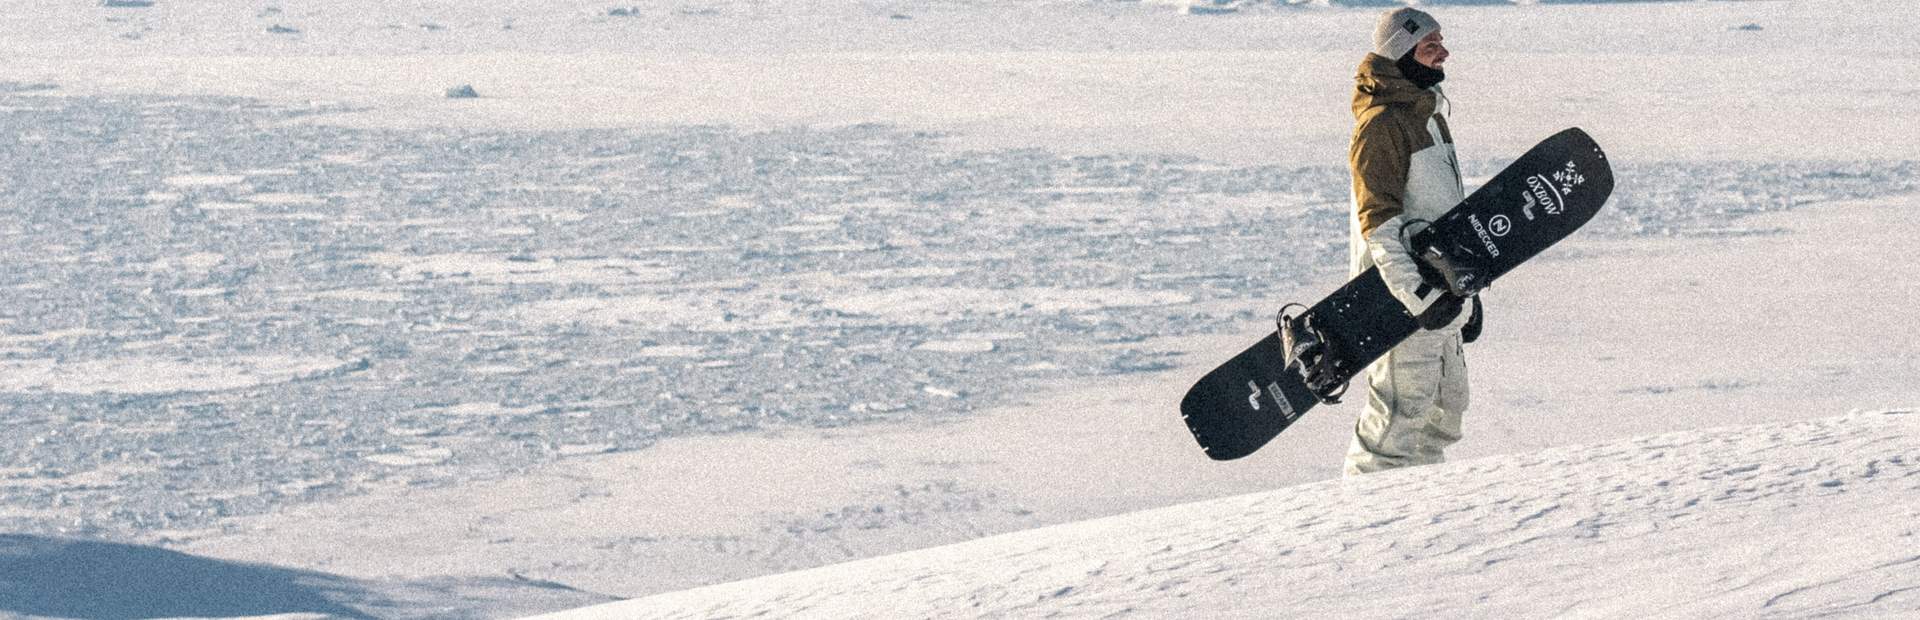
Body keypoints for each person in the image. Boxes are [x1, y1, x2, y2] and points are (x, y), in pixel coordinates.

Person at [1344, 7, 1482, 476]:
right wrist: (1418, 296)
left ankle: (1420, 511)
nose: (1444, 52)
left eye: (1441, 41)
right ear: (1401, 54)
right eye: (1430, 45)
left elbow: (1443, 213)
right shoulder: (1382, 125)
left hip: (1444, 292)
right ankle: (1363, 512)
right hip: (1401, 301)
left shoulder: (1429, 116)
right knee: (1396, 427)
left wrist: (1468, 292)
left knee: (1445, 414)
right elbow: (1378, 225)